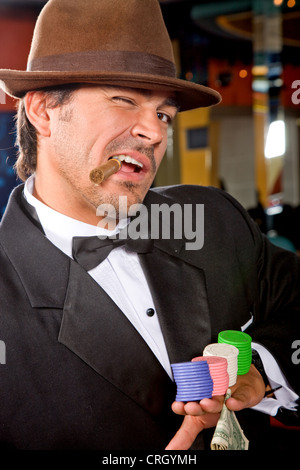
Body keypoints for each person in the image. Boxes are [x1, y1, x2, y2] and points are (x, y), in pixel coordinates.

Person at [0, 0, 299, 452]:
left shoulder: (214, 218)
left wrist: (260, 371)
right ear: (43, 110)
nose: (155, 133)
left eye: (163, 113)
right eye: (124, 100)